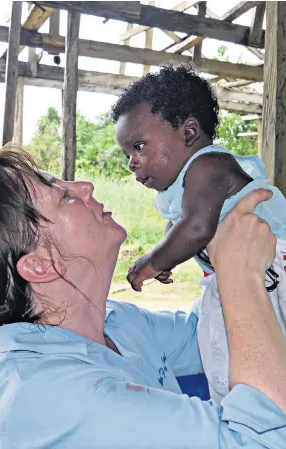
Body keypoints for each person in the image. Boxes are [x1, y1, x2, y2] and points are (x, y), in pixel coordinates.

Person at [0, 146, 286, 448]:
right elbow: (260, 440)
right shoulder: (45, 396)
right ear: (39, 265)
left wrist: (223, 243)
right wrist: (240, 274)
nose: (86, 186)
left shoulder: (115, 322)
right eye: (64, 196)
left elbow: (211, 336)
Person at [113, 63, 286, 402]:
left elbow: (195, 227)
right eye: (127, 154)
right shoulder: (185, 186)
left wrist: (151, 262)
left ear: (189, 133)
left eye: (139, 146)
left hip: (274, 269)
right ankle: (237, 418)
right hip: (244, 277)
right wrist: (170, 255)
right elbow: (183, 225)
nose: (132, 162)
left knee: (247, 365)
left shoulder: (209, 165)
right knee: (225, 358)